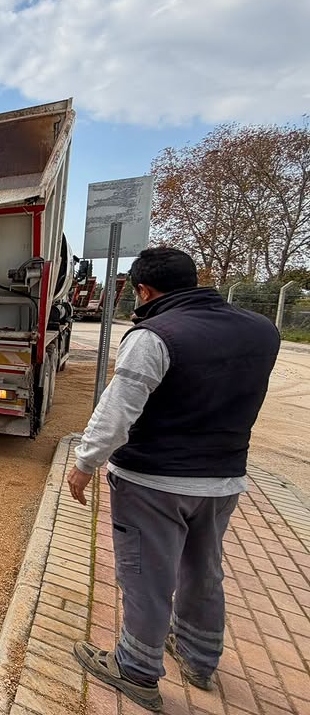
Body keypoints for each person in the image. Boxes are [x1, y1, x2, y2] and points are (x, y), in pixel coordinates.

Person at [67, 247, 280, 711]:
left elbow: (117, 412)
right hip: (223, 480)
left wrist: (85, 462)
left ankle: (135, 670)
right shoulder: (263, 331)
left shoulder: (154, 335)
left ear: (143, 290)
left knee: (146, 574)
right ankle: (199, 656)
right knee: (203, 568)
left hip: (153, 481)